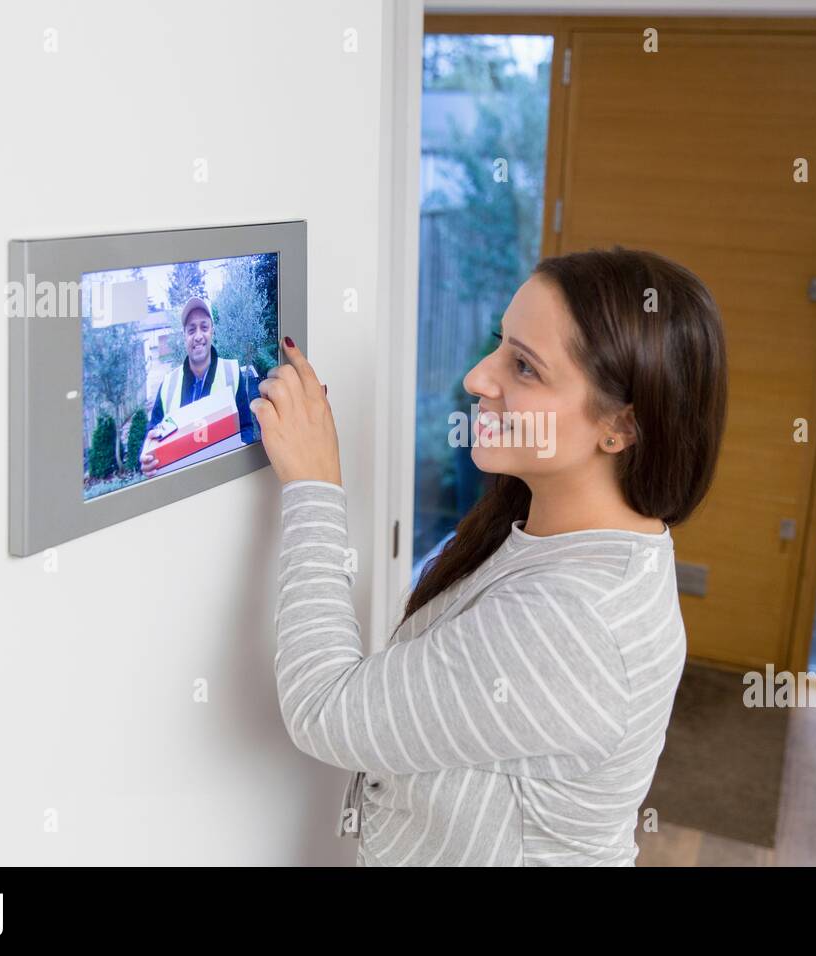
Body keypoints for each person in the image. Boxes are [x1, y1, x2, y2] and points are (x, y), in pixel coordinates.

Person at [252, 246, 727, 866]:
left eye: (525, 367)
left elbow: (324, 708)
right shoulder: (570, 539)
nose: (478, 377)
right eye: (500, 342)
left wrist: (314, 489)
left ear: (621, 427)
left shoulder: (572, 623)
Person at [140, 296, 255, 476]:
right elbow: (152, 434)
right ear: (184, 336)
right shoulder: (168, 384)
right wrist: (148, 457)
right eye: (191, 330)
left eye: (204, 327)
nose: (198, 336)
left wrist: (241, 453)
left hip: (223, 483)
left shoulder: (232, 373)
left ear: (212, 332)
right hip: (182, 490)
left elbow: (247, 428)